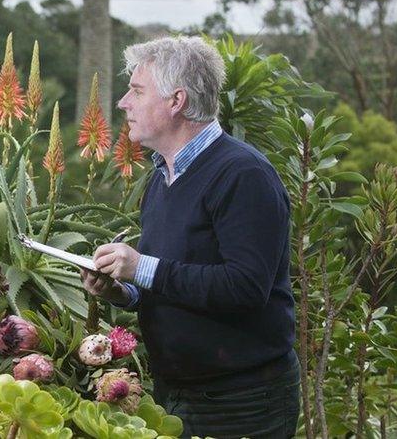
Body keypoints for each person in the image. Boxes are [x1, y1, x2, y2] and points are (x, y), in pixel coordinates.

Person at [81, 36, 300, 439]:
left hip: (242, 402)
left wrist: (142, 267)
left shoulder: (242, 175)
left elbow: (246, 287)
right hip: (179, 394)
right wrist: (122, 291)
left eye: (137, 91)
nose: (123, 102)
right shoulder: (164, 175)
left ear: (176, 101)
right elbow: (175, 276)